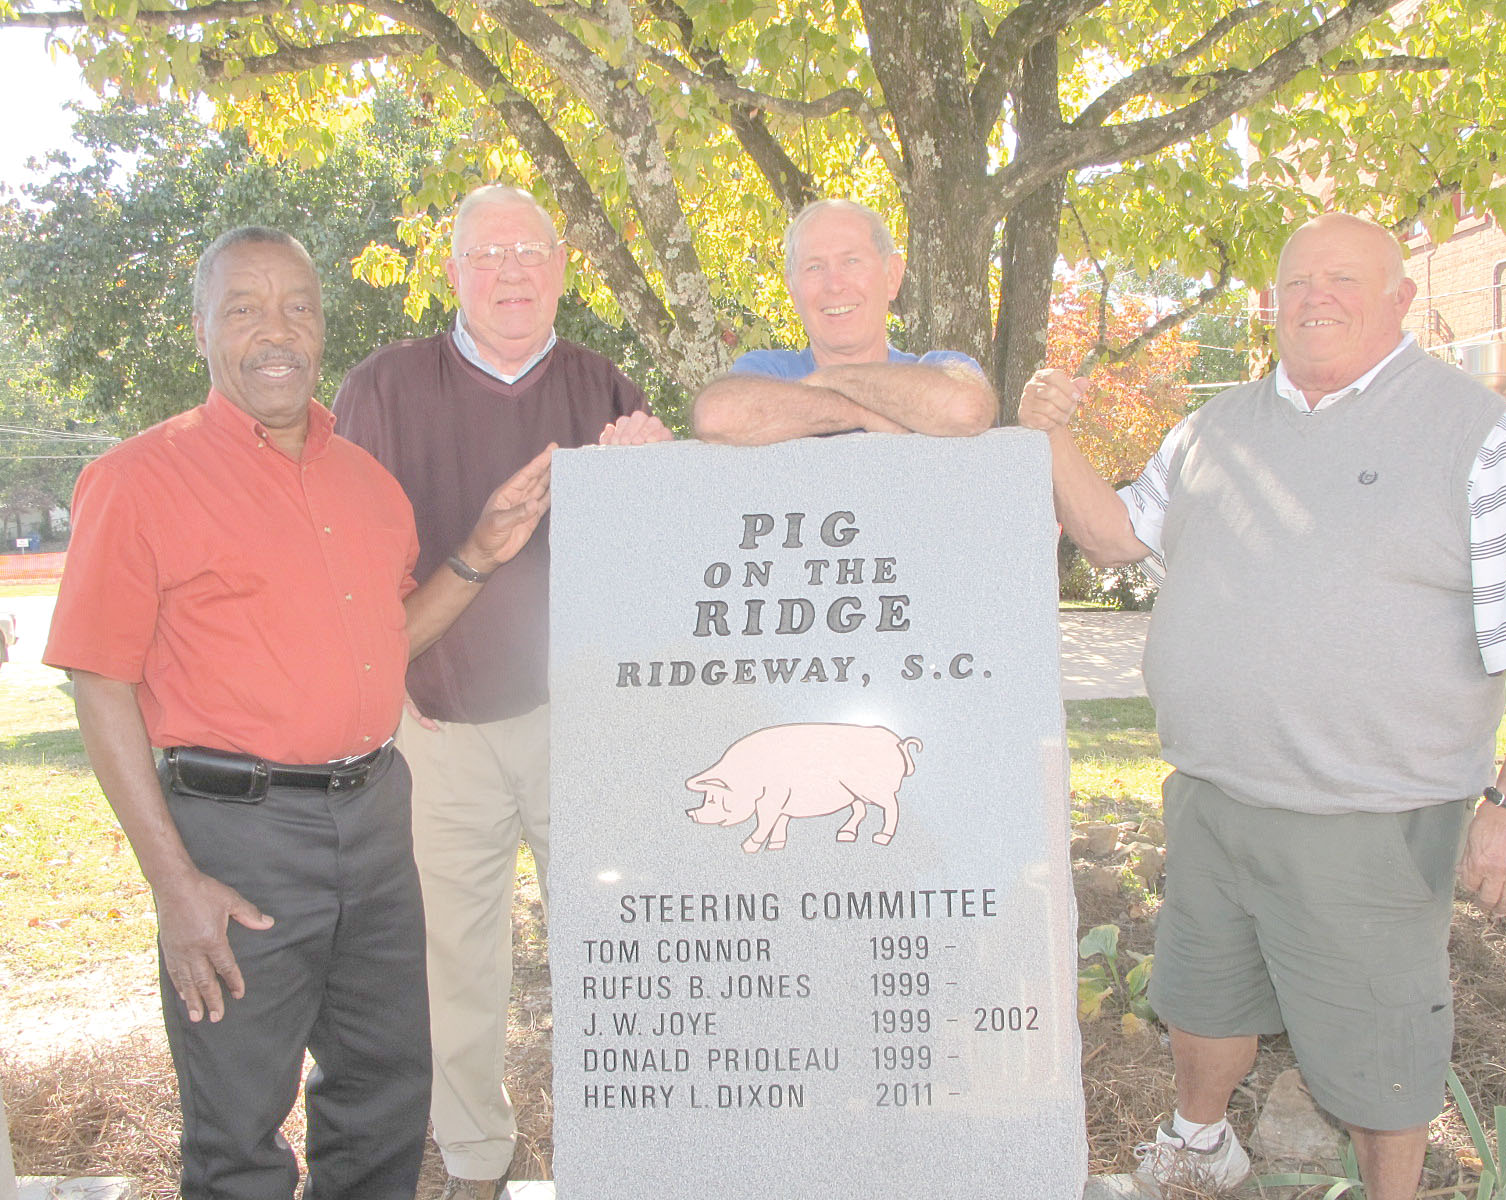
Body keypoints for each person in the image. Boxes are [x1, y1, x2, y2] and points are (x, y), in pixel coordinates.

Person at [1020, 213, 1506, 1200]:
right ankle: (1199, 1147)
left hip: (1370, 818)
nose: (1315, 296)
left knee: (1379, 1051)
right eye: (1297, 281)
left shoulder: (1481, 437)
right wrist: (1052, 434)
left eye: (1343, 278)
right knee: (1201, 997)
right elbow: (1115, 536)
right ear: (1274, 303)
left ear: (1400, 299)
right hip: (1215, 796)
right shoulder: (1213, 430)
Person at [43, 227, 554, 1200]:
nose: (275, 333)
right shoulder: (137, 481)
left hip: (376, 820)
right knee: (238, 1131)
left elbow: (389, 640)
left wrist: (480, 553)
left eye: (298, 309)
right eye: (244, 310)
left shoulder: (367, 484)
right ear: (202, 331)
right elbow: (99, 683)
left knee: (383, 1100)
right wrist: (173, 884)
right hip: (238, 838)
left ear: (322, 328)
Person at [333, 184, 672, 1200]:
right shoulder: (383, 387)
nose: (511, 271)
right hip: (434, 720)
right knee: (453, 964)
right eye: (487, 254)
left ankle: (623, 1157)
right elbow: (343, 556)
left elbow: (655, 571)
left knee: (614, 946)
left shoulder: (604, 387)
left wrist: (659, 480)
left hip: (581, 725)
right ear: (452, 273)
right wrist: (383, 675)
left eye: (530, 250)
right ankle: (475, 1160)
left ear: (562, 268)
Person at [691, 198, 996, 443]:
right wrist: (860, 412)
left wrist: (828, 380)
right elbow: (716, 415)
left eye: (851, 261)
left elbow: (968, 409)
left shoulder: (937, 369)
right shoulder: (767, 372)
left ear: (892, 276)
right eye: (814, 267)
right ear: (793, 290)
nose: (834, 285)